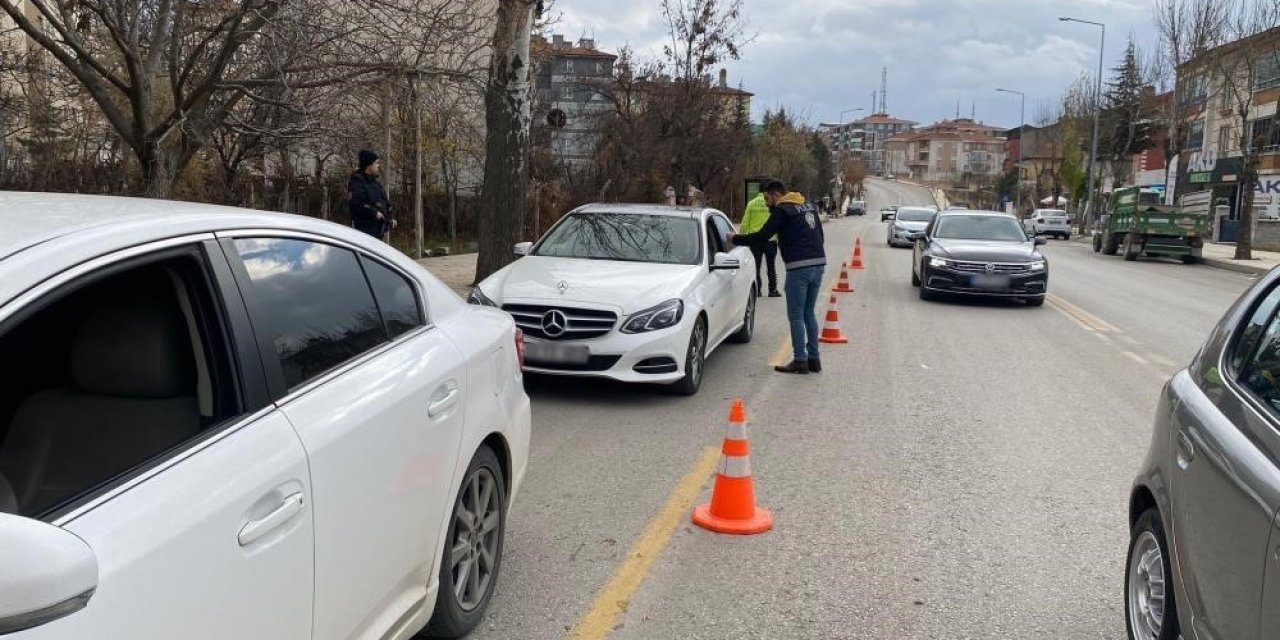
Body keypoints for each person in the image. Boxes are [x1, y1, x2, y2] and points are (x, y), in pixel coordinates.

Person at [730, 180, 826, 375]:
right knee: (809, 312)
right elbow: (820, 235)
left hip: (799, 268)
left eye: (767, 198)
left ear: (775, 195)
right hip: (818, 264)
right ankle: (814, 359)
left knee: (796, 315)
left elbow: (762, 236)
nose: (766, 203)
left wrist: (734, 239)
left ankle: (800, 360)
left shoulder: (782, 210)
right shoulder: (807, 206)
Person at [739, 190, 781, 298]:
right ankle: (773, 290)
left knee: (756, 267)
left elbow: (744, 223)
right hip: (771, 240)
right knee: (771, 266)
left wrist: (741, 237)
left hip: (755, 239)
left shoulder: (751, 203)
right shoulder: (773, 203)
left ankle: (758, 291)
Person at [348, 149, 396, 240]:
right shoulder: (357, 183)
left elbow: (385, 202)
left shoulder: (375, 184)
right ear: (369, 165)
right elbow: (357, 204)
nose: (378, 166)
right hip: (365, 233)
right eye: (376, 163)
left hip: (378, 232)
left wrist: (390, 218)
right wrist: (373, 212)